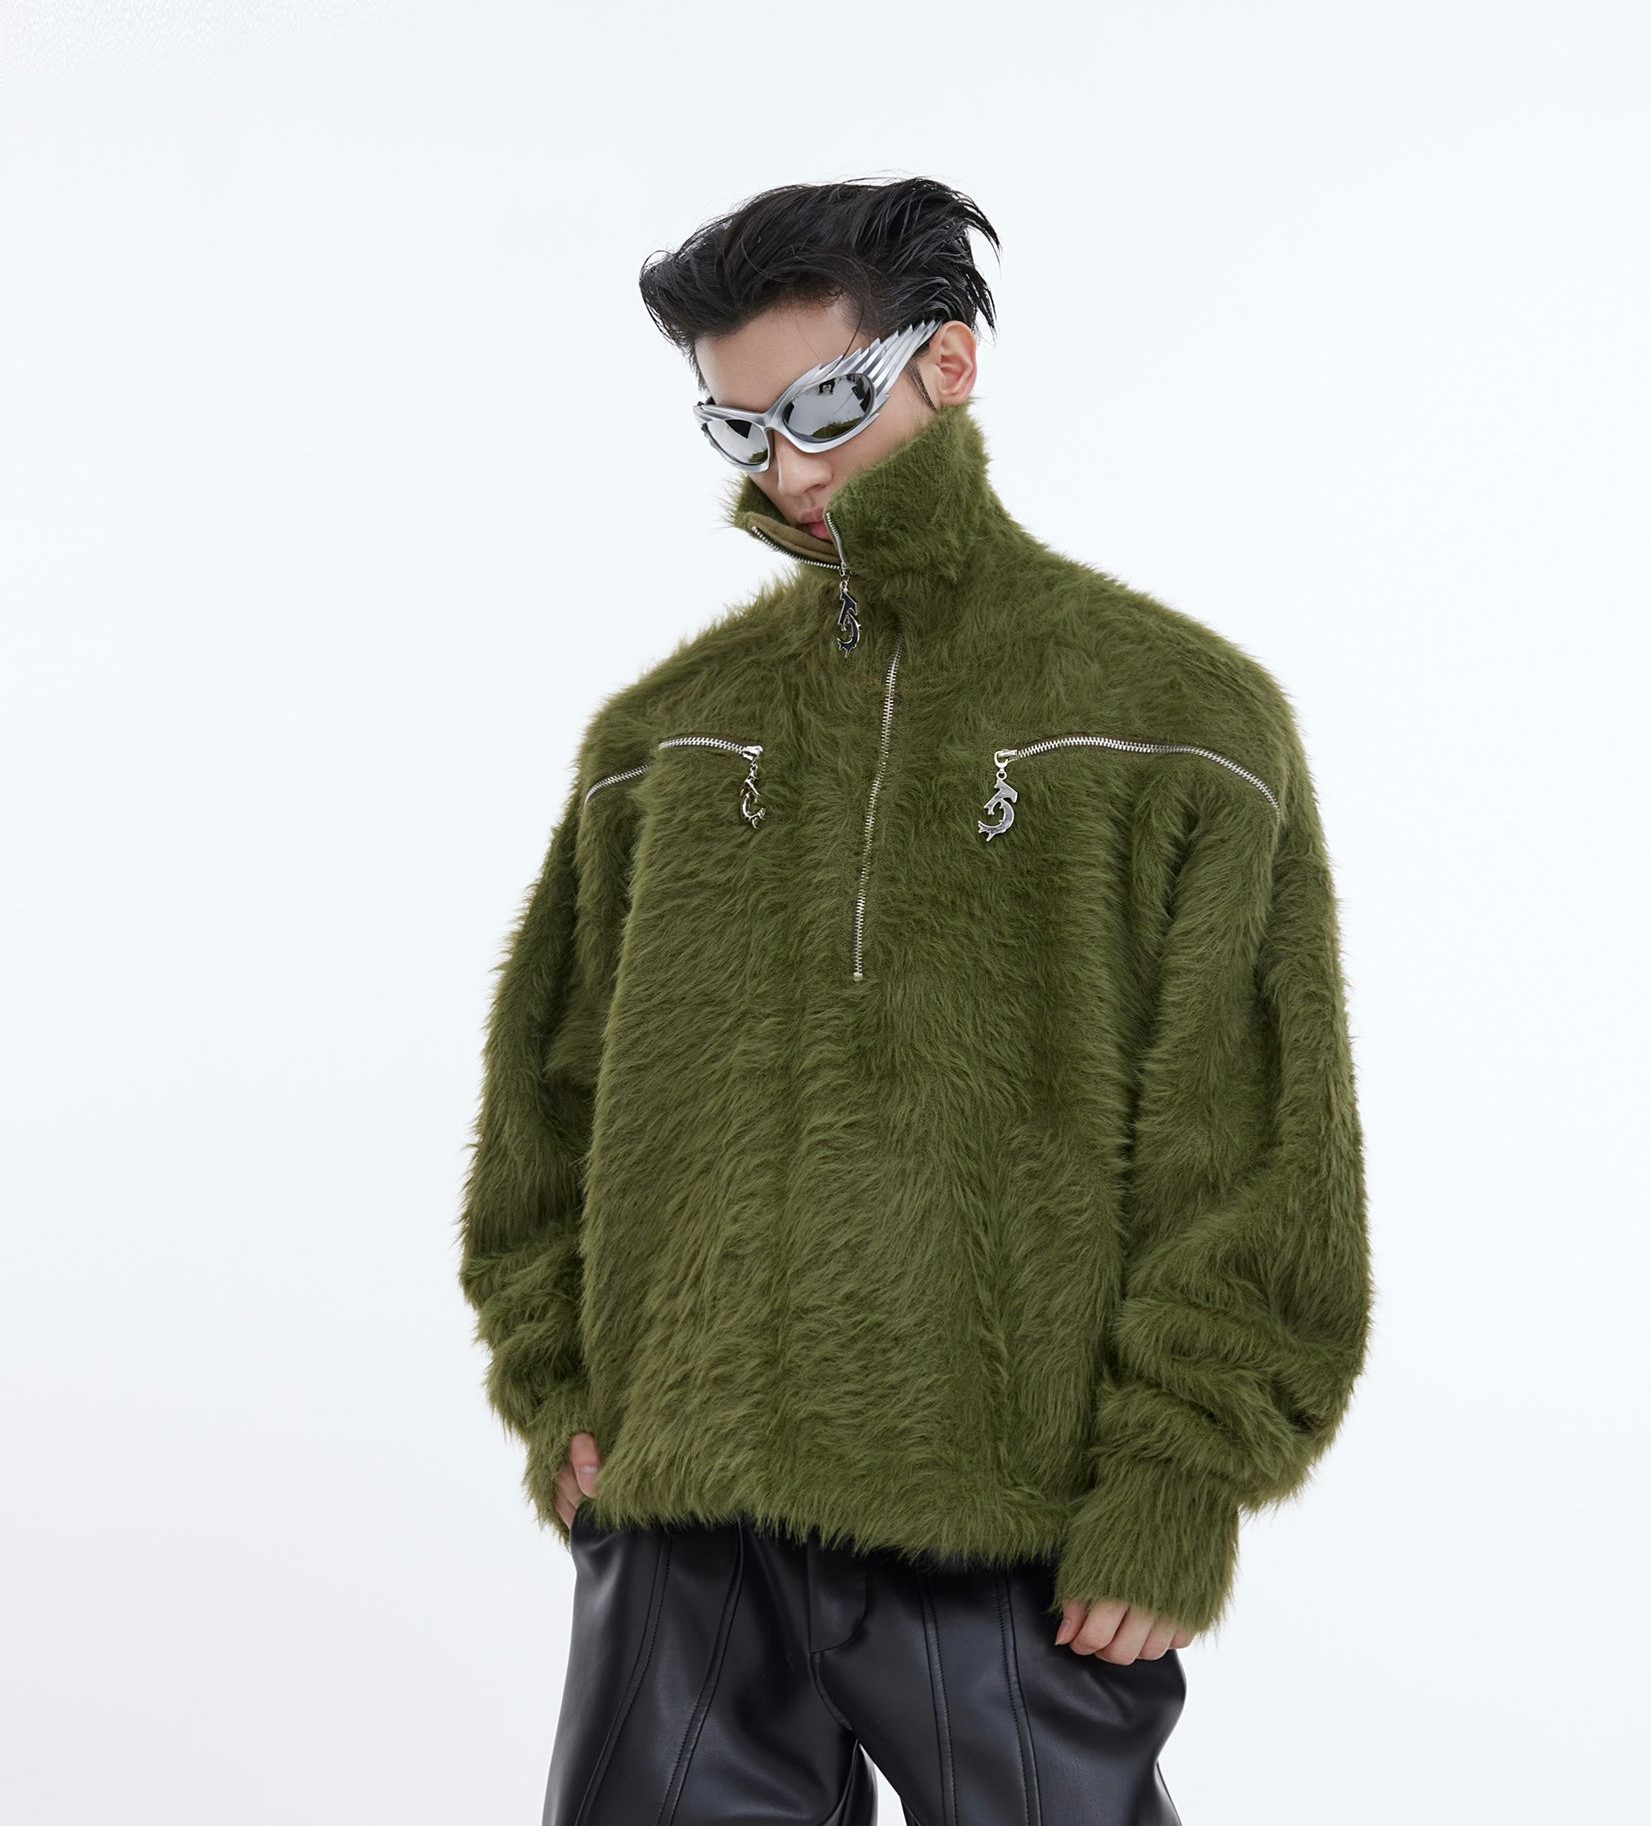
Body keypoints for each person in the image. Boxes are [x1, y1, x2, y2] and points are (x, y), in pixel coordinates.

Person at [455, 175, 1374, 1826]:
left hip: (1002, 1527)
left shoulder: (1178, 718)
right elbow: (545, 1109)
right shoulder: (662, 737)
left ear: (944, 362)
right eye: (739, 431)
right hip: (687, 1527)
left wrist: (1175, 1480)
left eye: (821, 409)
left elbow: (1253, 1147)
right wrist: (562, 1395)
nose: (790, 471)